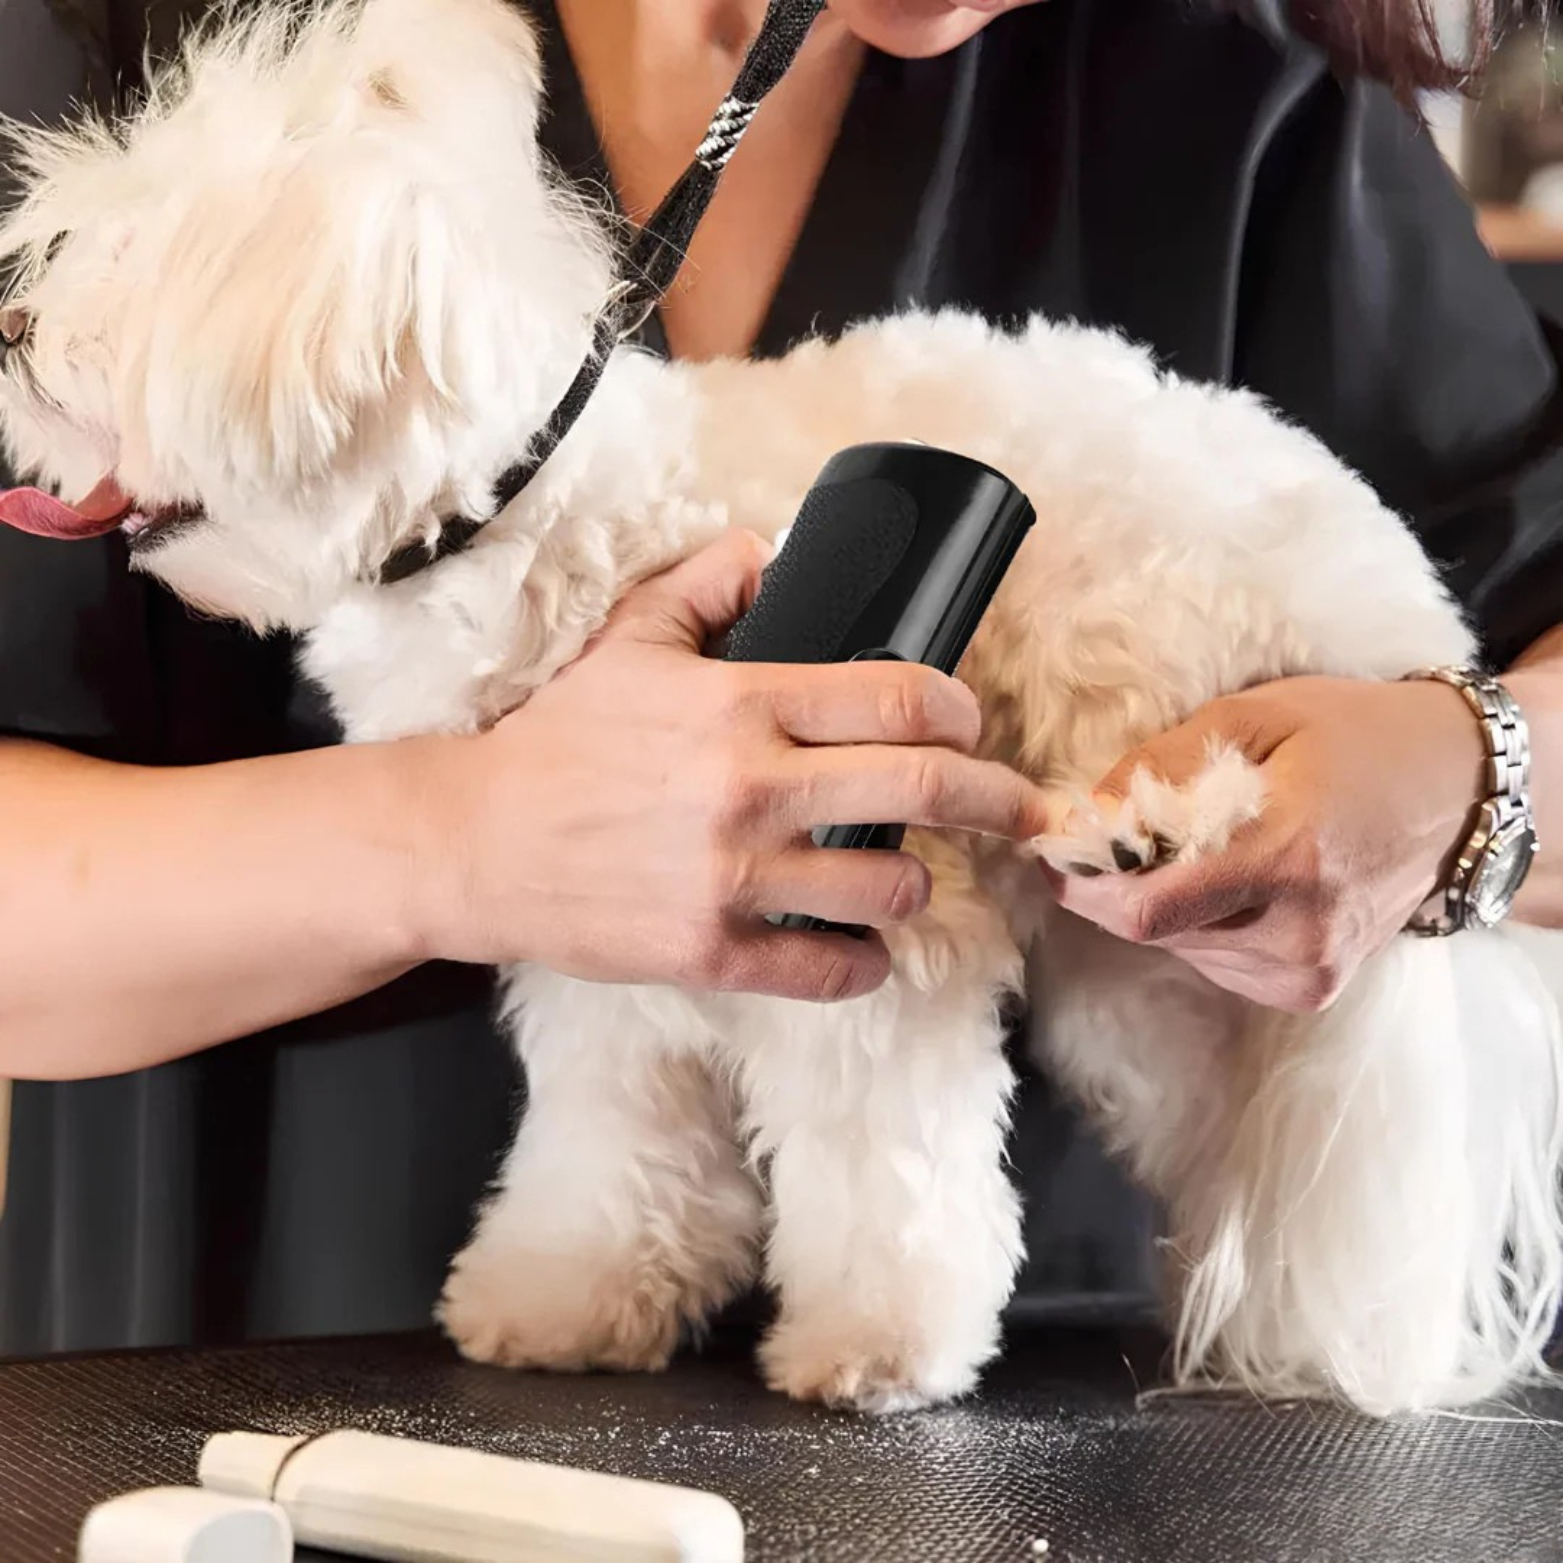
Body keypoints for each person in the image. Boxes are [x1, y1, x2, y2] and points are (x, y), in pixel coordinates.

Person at [0, 0, 1559, 1355]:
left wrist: (1468, 774)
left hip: (1062, 1423)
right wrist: (464, 840)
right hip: (239, 1382)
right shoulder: (145, 51)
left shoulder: (1252, 88)